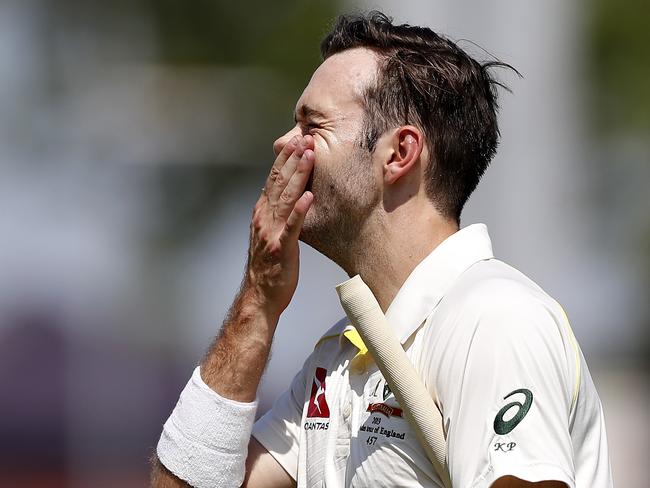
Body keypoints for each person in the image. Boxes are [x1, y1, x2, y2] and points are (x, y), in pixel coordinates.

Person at [151, 11, 613, 488]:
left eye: (312, 125)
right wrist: (257, 299)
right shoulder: (341, 353)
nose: (285, 144)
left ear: (399, 154)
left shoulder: (495, 319)